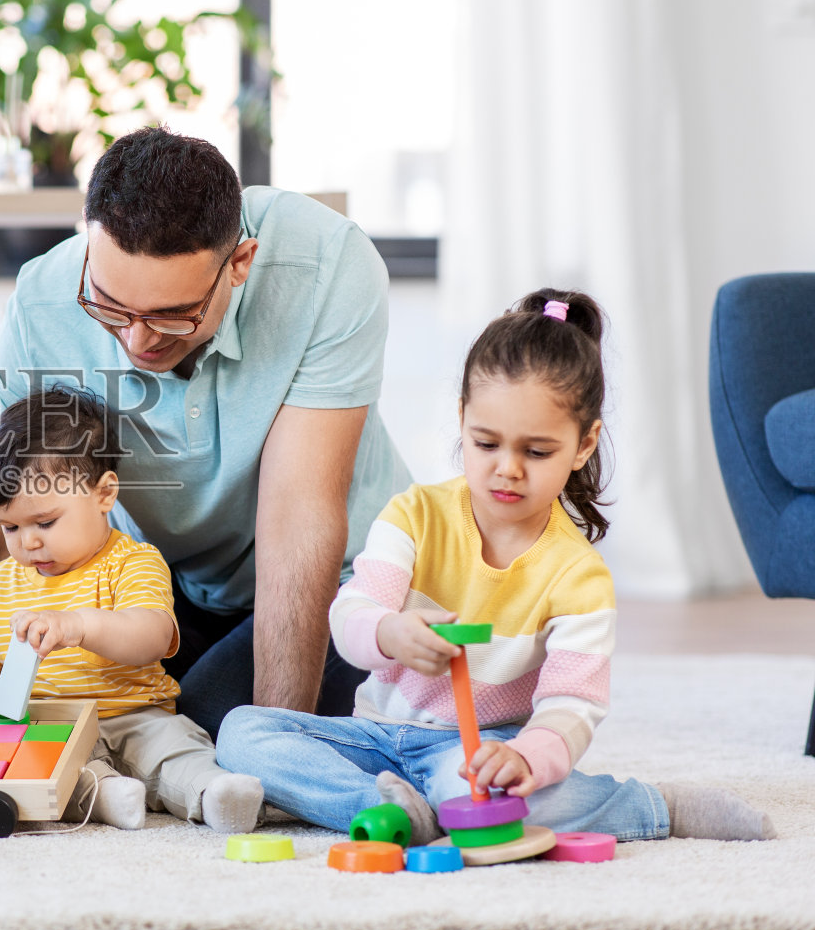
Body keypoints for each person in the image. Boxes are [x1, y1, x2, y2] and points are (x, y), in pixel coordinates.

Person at [215, 290, 774, 843]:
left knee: (496, 802)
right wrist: (387, 632)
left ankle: (649, 806)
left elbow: (571, 705)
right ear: (462, 421)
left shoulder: (578, 577)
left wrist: (526, 758)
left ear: (584, 445)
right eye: (486, 443)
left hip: (476, 756)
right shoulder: (413, 515)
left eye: (536, 452)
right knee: (242, 732)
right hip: (376, 737)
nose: (507, 469)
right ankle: (384, 808)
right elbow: (353, 615)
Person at [0, 126, 413, 738]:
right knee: (86, 713)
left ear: (239, 263)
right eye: (110, 307)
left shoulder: (327, 267)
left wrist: (276, 743)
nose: (137, 342)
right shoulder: (43, 298)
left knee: (205, 731)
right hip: (160, 587)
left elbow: (299, 515)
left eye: (172, 316)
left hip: (339, 584)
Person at [0, 387, 266, 832]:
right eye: (10, 526)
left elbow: (150, 635)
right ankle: (105, 794)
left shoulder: (132, 562)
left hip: (134, 714)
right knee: (37, 769)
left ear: (103, 495)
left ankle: (214, 792)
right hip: (46, 724)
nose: (28, 542)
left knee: (177, 749)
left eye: (46, 522)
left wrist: (78, 625)